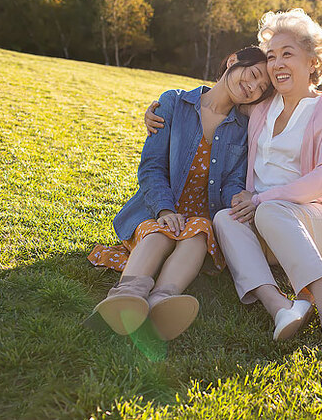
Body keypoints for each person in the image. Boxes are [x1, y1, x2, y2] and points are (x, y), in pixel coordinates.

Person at [145, 9, 322, 348]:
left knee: (270, 210)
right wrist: (162, 107)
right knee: (223, 218)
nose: (276, 64)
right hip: (261, 224)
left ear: (313, 61)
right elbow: (216, 97)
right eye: (272, 56)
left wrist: (261, 199)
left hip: (313, 224)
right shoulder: (261, 106)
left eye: (287, 54)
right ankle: (280, 308)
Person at [87, 46, 273, 341]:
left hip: (200, 219)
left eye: (262, 88)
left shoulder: (242, 128)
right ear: (232, 60)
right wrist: (164, 209)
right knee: (159, 232)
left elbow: (233, 183)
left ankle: (162, 301)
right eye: (253, 75)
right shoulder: (174, 103)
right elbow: (151, 168)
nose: (253, 87)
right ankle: (125, 295)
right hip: (157, 209)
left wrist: (241, 199)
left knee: (198, 233)